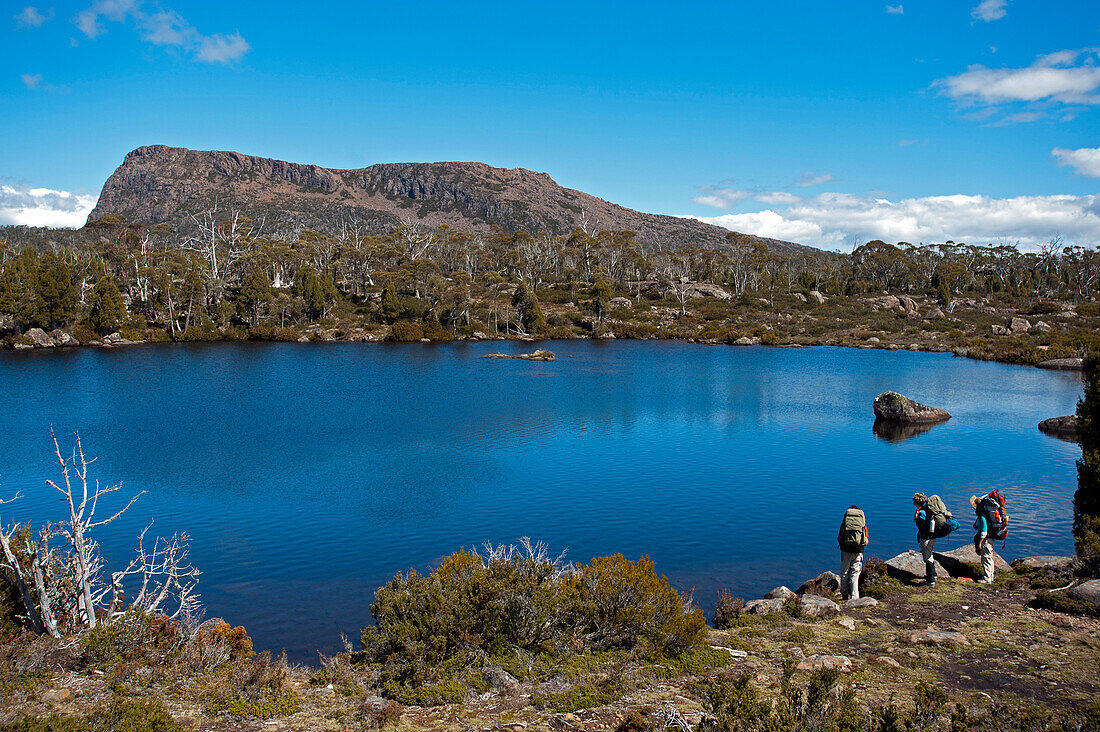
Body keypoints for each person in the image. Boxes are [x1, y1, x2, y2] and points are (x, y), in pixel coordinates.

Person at [837, 505, 869, 601]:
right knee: (855, 574)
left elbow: (839, 538)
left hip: (845, 551)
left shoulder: (844, 524)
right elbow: (866, 542)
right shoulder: (862, 525)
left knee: (844, 573)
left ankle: (844, 596)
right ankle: (855, 598)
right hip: (857, 551)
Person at [913, 493, 937, 588]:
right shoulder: (927, 510)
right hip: (932, 537)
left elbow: (921, 527)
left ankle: (930, 581)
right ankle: (933, 576)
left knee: (927, 558)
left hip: (926, 538)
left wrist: (917, 518)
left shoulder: (922, 513)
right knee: (930, 555)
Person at [971, 495, 995, 584]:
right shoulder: (986, 515)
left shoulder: (982, 517)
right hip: (990, 538)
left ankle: (987, 578)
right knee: (989, 558)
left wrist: (980, 543)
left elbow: (984, 531)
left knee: (986, 558)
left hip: (986, 540)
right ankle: (990, 576)